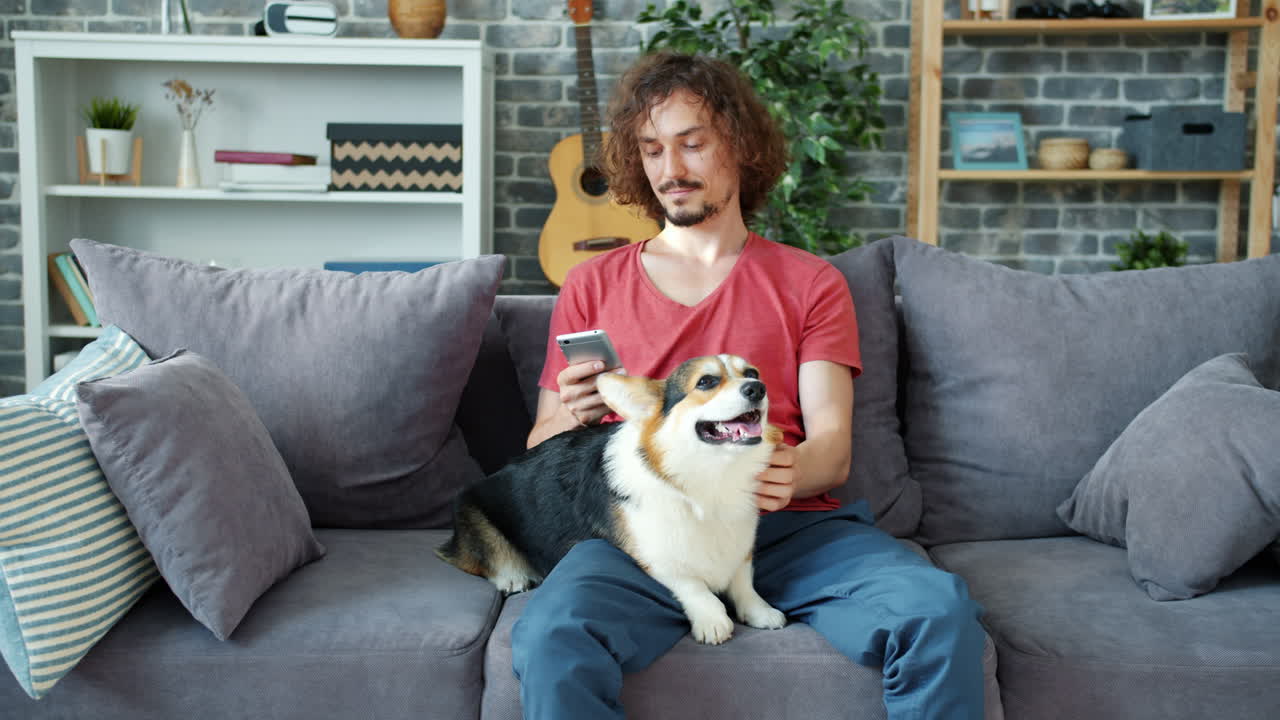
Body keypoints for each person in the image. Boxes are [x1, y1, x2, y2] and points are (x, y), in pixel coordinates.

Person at [512, 51, 986, 719]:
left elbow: (833, 447)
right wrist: (575, 416)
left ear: (740, 145)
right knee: (552, 636)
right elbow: (540, 442)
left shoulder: (811, 282)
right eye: (651, 150)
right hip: (645, 534)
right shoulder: (593, 284)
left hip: (791, 530)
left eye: (692, 144)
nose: (670, 170)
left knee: (937, 612)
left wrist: (783, 473)